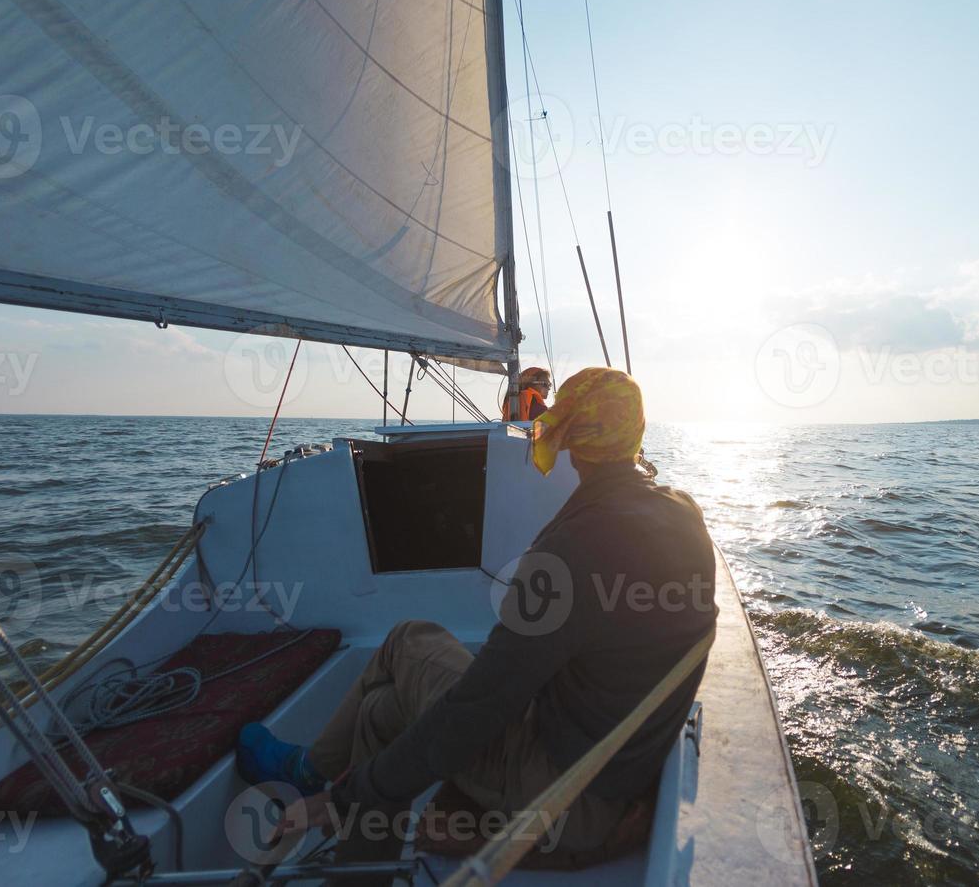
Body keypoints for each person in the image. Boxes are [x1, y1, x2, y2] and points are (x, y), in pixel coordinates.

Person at [237, 367, 718, 857]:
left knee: (407, 639)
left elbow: (481, 706)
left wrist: (345, 798)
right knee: (382, 712)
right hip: (614, 769)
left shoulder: (573, 549)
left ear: (570, 439)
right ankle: (355, 853)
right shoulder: (683, 513)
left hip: (566, 793)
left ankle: (315, 779)